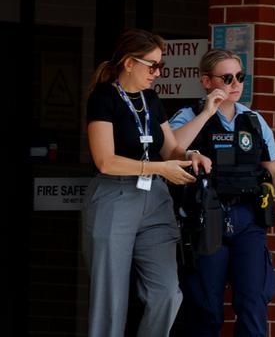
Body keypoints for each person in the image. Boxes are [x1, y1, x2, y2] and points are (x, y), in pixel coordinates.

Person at [82, 28, 212, 337]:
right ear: (129, 63)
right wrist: (160, 167)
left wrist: (191, 154)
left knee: (167, 293)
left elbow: (170, 149)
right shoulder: (104, 98)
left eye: (161, 67)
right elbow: (105, 160)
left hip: (154, 198)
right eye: (152, 65)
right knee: (110, 299)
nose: (157, 73)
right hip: (115, 195)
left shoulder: (151, 99)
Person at [169, 48, 275, 336]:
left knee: (253, 300)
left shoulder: (253, 120)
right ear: (207, 81)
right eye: (226, 77)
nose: (235, 84)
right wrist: (208, 112)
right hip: (206, 217)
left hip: (248, 218)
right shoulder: (189, 114)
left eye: (240, 77)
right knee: (206, 306)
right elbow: (171, 148)